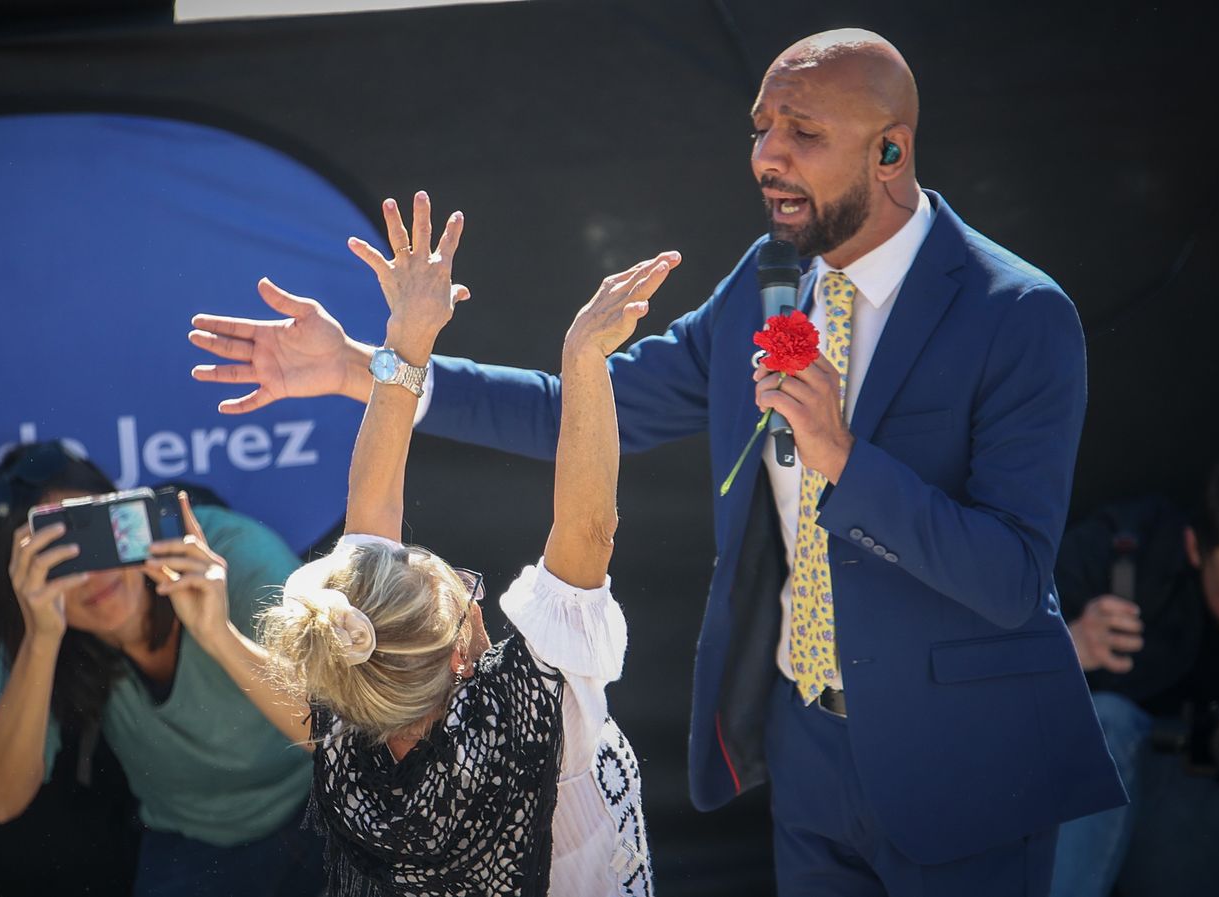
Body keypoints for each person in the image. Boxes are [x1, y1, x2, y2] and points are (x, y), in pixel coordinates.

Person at [188, 28, 1126, 896]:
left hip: (963, 767)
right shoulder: (768, 284)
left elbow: (1011, 579)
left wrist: (844, 456)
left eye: (802, 132)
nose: (767, 155)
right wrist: (369, 367)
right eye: (762, 128)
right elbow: (585, 411)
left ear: (891, 151)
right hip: (804, 754)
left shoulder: (1017, 313)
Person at [224, 193, 659, 895]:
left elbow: (371, 507)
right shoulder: (541, 716)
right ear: (461, 653)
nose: (466, 580)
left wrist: (408, 340)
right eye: (462, 584)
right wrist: (583, 357)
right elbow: (588, 527)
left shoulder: (356, 711)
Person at [0, 442, 323, 897]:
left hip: (322, 805)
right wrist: (40, 641)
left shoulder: (230, 552)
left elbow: (340, 731)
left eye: (94, 534)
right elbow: (0, 801)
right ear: (21, 583)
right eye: (58, 559)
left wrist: (218, 634)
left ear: (131, 513)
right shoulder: (39, 626)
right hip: (192, 840)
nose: (92, 575)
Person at [1049, 460, 1219, 897]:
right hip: (1100, 803)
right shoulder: (1126, 548)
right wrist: (1067, 645)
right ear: (1194, 547)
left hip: (1202, 830)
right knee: (1106, 722)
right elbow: (984, 668)